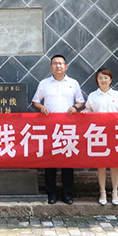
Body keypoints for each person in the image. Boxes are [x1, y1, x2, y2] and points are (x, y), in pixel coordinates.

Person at [83, 67, 118, 206]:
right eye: (100, 78)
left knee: (115, 165)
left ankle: (115, 192)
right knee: (101, 165)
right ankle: (102, 192)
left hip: (115, 134)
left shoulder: (116, 95)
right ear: (97, 80)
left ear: (111, 80)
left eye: (106, 78)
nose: (103, 80)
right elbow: (88, 110)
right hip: (99, 134)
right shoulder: (92, 96)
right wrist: (85, 112)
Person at [32, 54, 84, 205]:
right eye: (55, 64)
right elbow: (35, 101)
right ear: (51, 67)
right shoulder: (44, 83)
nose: (58, 66)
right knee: (51, 162)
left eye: (61, 63)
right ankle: (51, 194)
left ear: (66, 67)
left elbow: (81, 101)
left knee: (68, 162)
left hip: (68, 128)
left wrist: (75, 107)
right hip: (50, 127)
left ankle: (67, 194)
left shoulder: (73, 83)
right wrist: (41, 107)